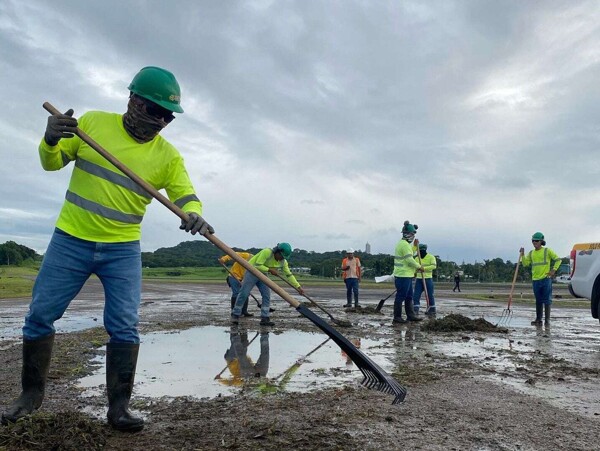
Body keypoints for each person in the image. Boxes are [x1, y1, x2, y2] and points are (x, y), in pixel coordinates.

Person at [1, 66, 213, 432]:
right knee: (39, 316)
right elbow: (51, 163)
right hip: (70, 240)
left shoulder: (167, 156)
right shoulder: (93, 124)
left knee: (125, 327)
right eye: (154, 110)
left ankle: (119, 409)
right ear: (133, 100)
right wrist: (50, 139)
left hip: (123, 249)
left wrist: (194, 213)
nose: (160, 120)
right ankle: (30, 396)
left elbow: (185, 194)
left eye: (167, 115)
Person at [231, 243, 304, 326]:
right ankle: (235, 314)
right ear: (277, 252)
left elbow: (289, 275)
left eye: (284, 257)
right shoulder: (267, 252)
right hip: (252, 271)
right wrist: (269, 270)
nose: (281, 259)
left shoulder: (283, 262)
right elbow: (257, 265)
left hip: (263, 274)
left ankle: (265, 318)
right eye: (281, 256)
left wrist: (298, 287)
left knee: (266, 295)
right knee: (244, 293)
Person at [520, 232, 561, 326]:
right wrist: (522, 254)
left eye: (536, 241)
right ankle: (538, 319)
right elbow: (525, 264)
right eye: (533, 241)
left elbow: (558, 260)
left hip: (546, 279)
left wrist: (553, 270)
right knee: (538, 300)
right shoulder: (531, 253)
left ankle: (547, 320)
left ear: (541, 241)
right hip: (535, 280)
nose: (534, 242)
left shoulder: (547, 251)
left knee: (547, 300)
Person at [392, 221, 424, 324]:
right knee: (401, 296)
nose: (413, 236)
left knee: (409, 296)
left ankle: (410, 315)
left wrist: (415, 247)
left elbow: (410, 252)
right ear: (407, 234)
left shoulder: (404, 244)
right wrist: (419, 266)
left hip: (407, 275)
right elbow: (409, 260)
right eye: (412, 234)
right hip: (403, 275)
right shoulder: (404, 245)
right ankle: (397, 317)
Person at [219, 252, 254, 317]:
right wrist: (223, 259)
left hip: (243, 278)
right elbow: (232, 254)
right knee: (236, 293)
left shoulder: (256, 264)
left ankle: (244, 311)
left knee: (245, 293)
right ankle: (234, 311)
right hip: (233, 276)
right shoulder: (246, 256)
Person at [413, 243, 437, 316]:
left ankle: (432, 309)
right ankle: (415, 309)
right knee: (416, 295)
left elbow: (434, 266)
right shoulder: (416, 258)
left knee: (430, 295)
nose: (419, 252)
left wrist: (424, 268)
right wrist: (414, 273)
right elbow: (414, 268)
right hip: (419, 279)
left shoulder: (431, 257)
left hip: (428, 279)